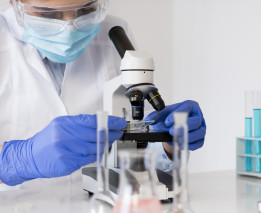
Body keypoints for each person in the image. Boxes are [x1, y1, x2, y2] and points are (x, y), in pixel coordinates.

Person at [0, 0, 206, 186]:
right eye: (48, 15)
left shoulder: (115, 32)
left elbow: (135, 154)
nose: (70, 27)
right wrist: (16, 161)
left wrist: (168, 145)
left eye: (86, 10)